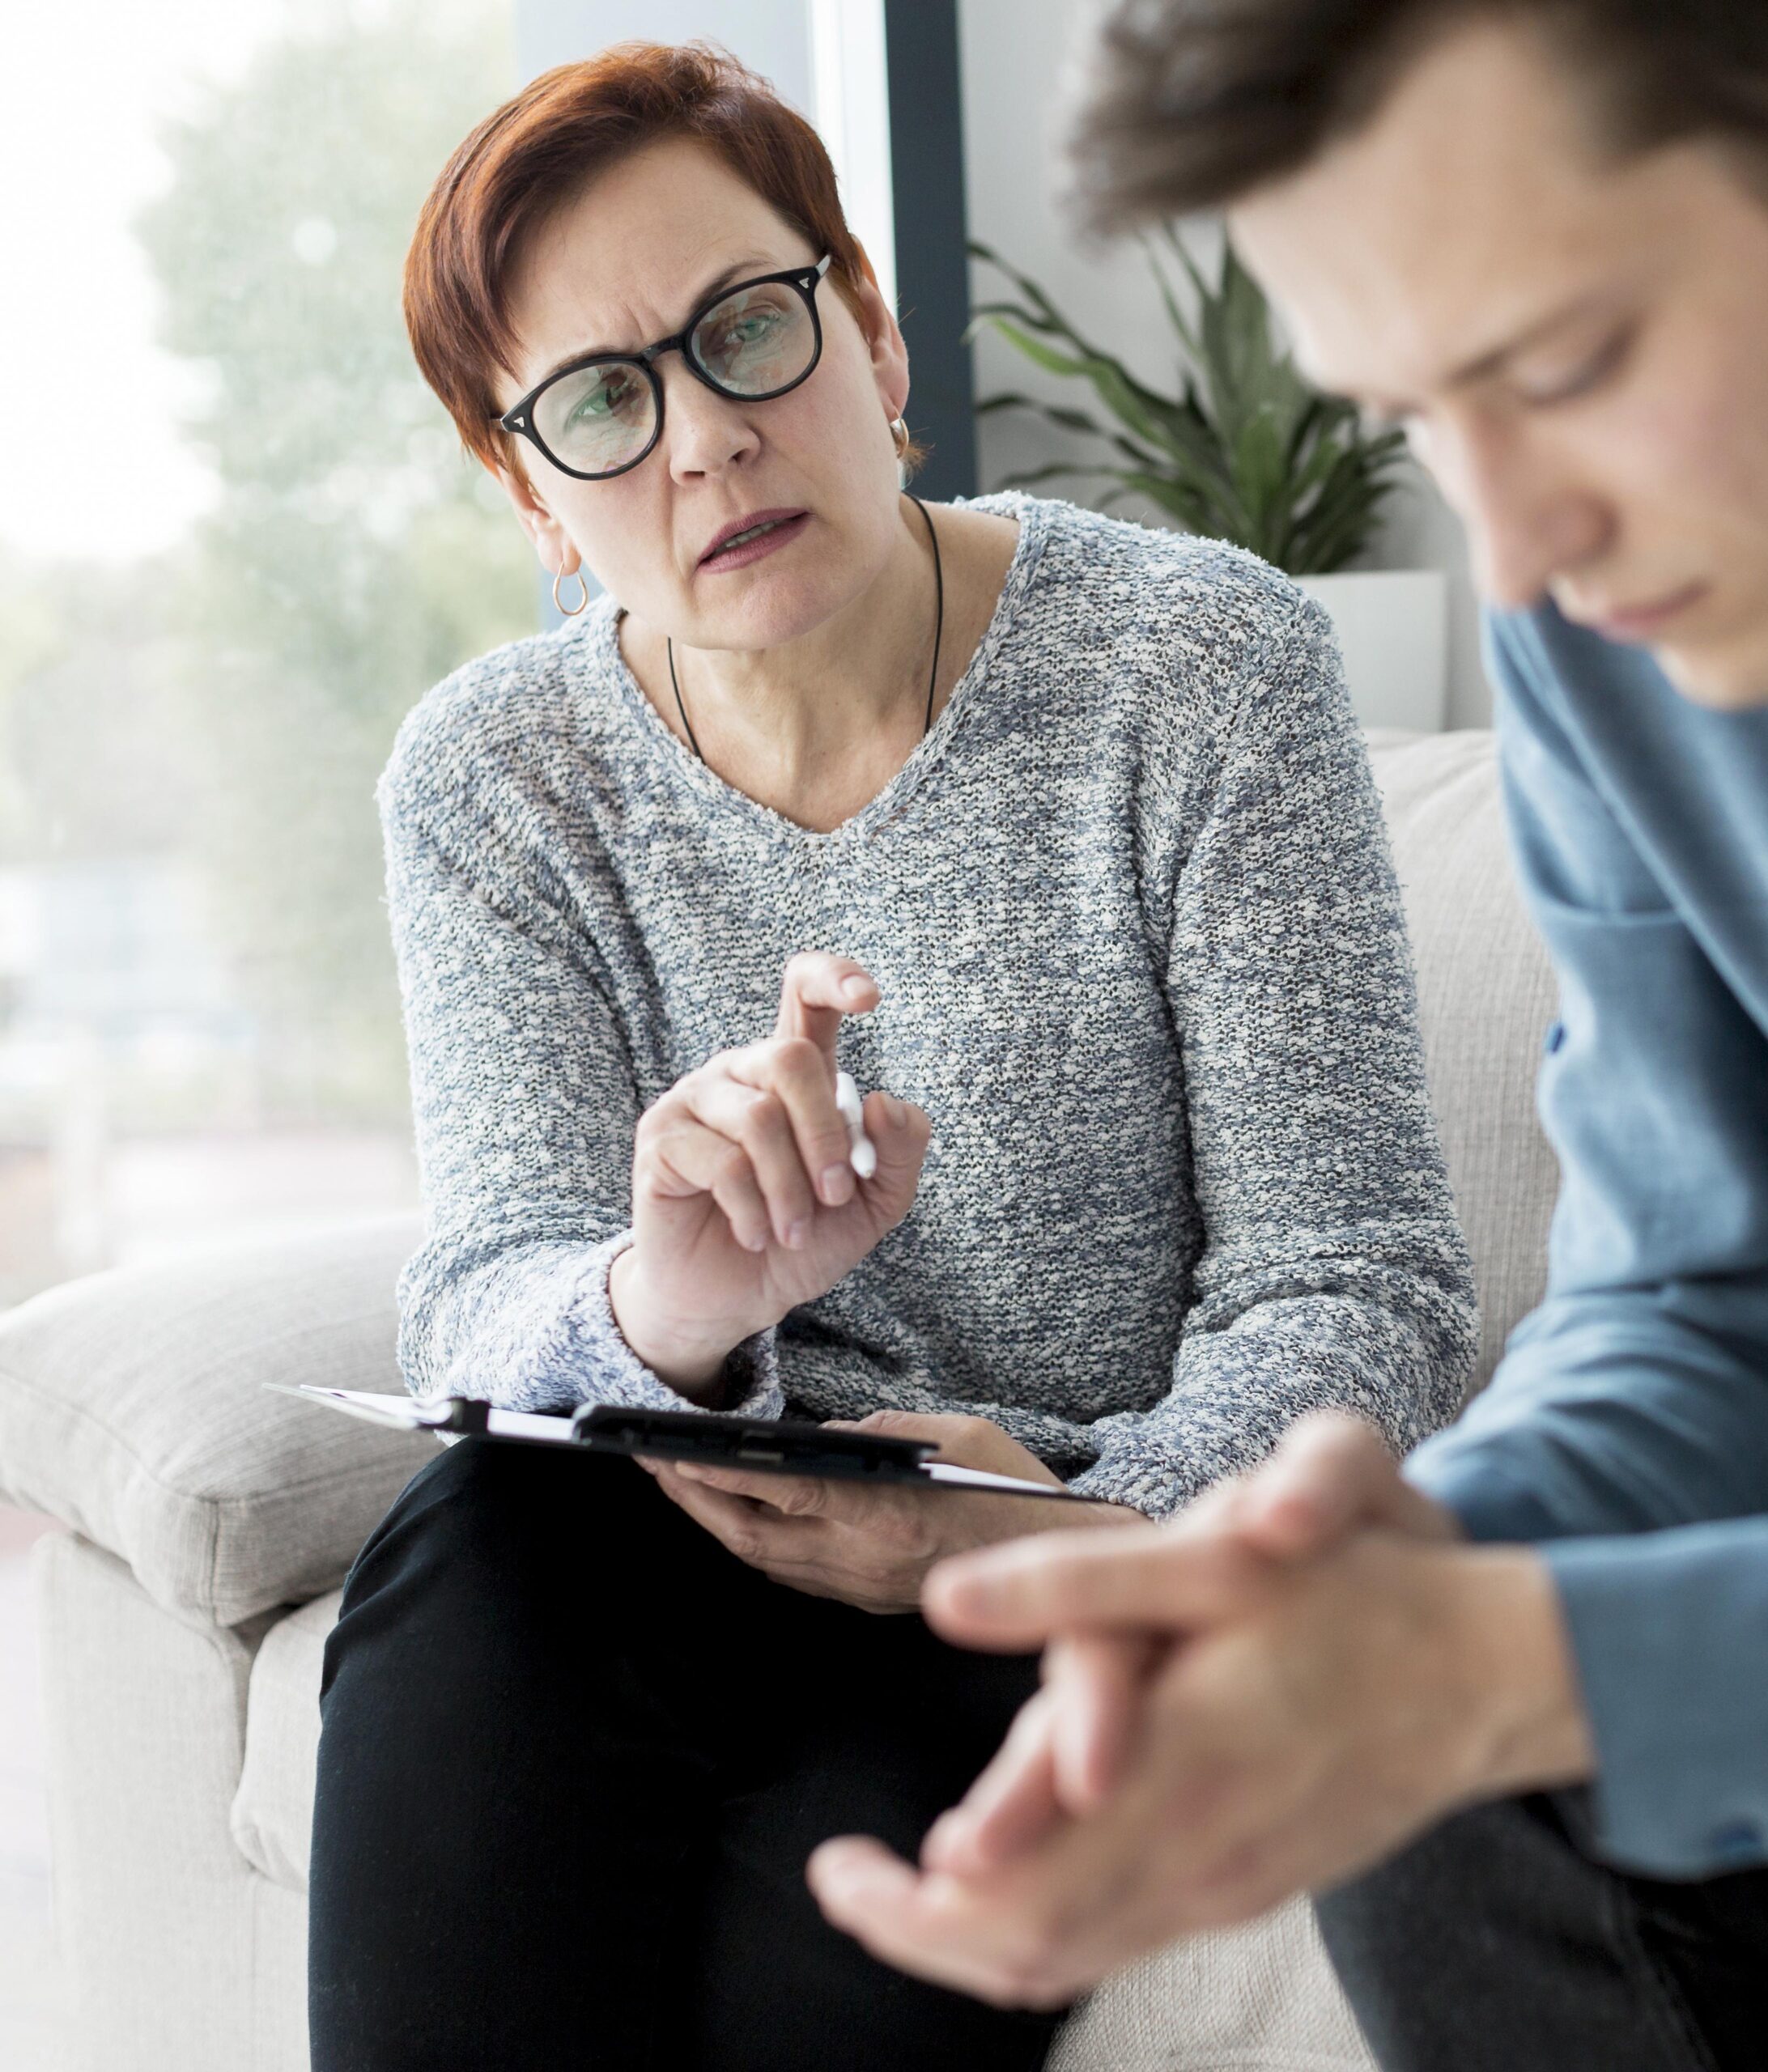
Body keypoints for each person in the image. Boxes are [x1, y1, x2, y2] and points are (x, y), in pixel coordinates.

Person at [805, 4, 1768, 2067]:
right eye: (1410, 417)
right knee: (1419, 1755)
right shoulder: (1616, 610)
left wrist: (1529, 1659)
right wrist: (1387, 1590)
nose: (1515, 556)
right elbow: (1705, 1301)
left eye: (1562, 362)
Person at [304, 36, 1477, 2072]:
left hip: (1037, 1554)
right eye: (600, 403)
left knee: (815, 1971)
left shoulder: (1198, 669)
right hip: (656, 1542)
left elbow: (1356, 1281)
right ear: (532, 497)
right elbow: (486, 1285)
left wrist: (1051, 1522)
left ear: (870, 333)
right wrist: (671, 1297)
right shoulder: (493, 777)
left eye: (746, 332)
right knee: (469, 1550)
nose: (702, 444)